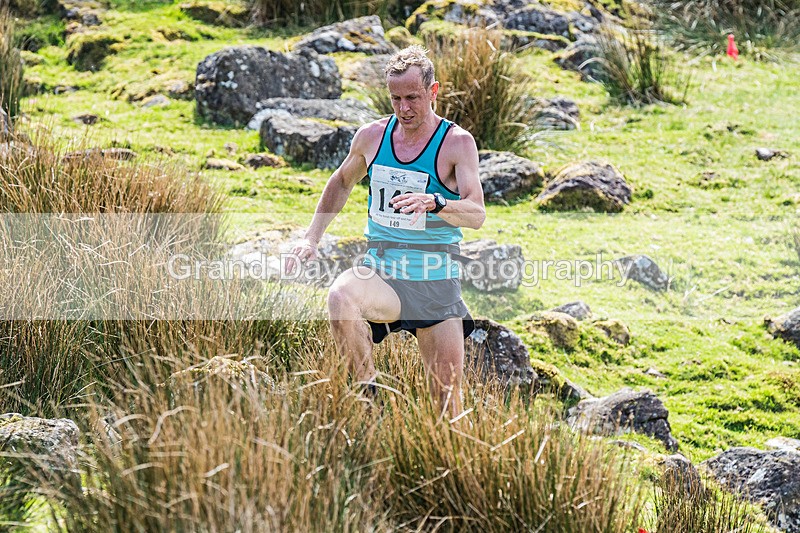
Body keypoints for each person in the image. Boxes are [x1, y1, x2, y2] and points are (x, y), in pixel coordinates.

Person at [287, 45, 485, 418]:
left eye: (413, 98)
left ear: (434, 91)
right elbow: (342, 181)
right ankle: (369, 396)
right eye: (395, 98)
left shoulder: (457, 143)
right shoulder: (372, 137)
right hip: (383, 274)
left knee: (448, 410)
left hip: (436, 280)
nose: (404, 108)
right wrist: (311, 237)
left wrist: (436, 204)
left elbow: (476, 213)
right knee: (340, 298)